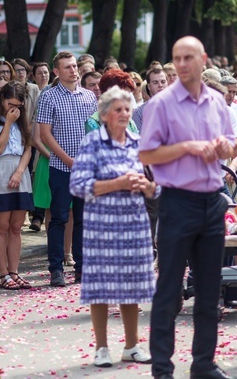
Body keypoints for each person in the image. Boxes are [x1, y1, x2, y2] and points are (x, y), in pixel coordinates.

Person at [139, 36, 237, 379]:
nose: (181, 64)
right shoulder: (161, 104)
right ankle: (162, 369)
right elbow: (147, 154)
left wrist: (226, 146)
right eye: (176, 58)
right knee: (169, 290)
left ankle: (203, 364)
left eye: (188, 58)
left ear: (202, 59)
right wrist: (188, 147)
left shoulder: (216, 100)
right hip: (177, 202)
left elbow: (234, 140)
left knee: (209, 290)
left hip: (212, 201)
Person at [69, 86, 157, 367]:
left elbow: (159, 188)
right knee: (102, 288)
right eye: (117, 109)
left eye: (127, 109)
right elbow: (78, 185)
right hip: (101, 227)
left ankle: (132, 345)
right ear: (104, 114)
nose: (123, 114)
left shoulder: (139, 142)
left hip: (134, 225)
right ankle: (101, 347)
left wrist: (147, 186)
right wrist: (116, 184)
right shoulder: (92, 142)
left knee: (132, 287)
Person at [37, 52, 97, 288]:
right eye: (68, 67)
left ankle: (82, 268)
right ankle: (56, 269)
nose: (74, 70)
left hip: (87, 169)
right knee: (59, 218)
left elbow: (95, 130)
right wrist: (68, 160)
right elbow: (45, 134)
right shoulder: (49, 97)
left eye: (74, 66)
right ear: (56, 72)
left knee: (83, 219)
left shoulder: (89, 97)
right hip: (61, 167)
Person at [0, 81, 34, 290]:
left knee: (16, 226)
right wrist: (9, 123)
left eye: (19, 106)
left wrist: (21, 171)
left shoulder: (22, 118)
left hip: (20, 170)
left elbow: (28, 149)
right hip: (0, 169)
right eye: (11, 103)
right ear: (2, 99)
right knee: (1, 226)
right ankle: (3, 274)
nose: (14, 109)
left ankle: (14, 271)